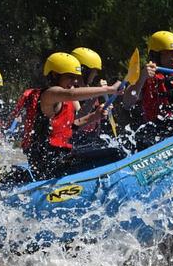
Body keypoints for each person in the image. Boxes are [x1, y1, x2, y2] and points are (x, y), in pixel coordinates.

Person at [10, 52, 123, 180]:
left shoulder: (61, 99)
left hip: (60, 160)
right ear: (54, 75)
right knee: (115, 155)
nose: (74, 81)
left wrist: (94, 116)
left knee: (115, 152)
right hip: (49, 166)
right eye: (70, 76)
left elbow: (72, 126)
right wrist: (109, 89)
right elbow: (71, 94)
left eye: (75, 77)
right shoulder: (48, 95)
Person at [69, 47, 111, 148]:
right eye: (94, 70)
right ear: (84, 70)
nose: (96, 74)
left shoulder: (90, 89)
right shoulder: (69, 91)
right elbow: (79, 119)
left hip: (91, 141)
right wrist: (97, 92)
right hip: (76, 143)